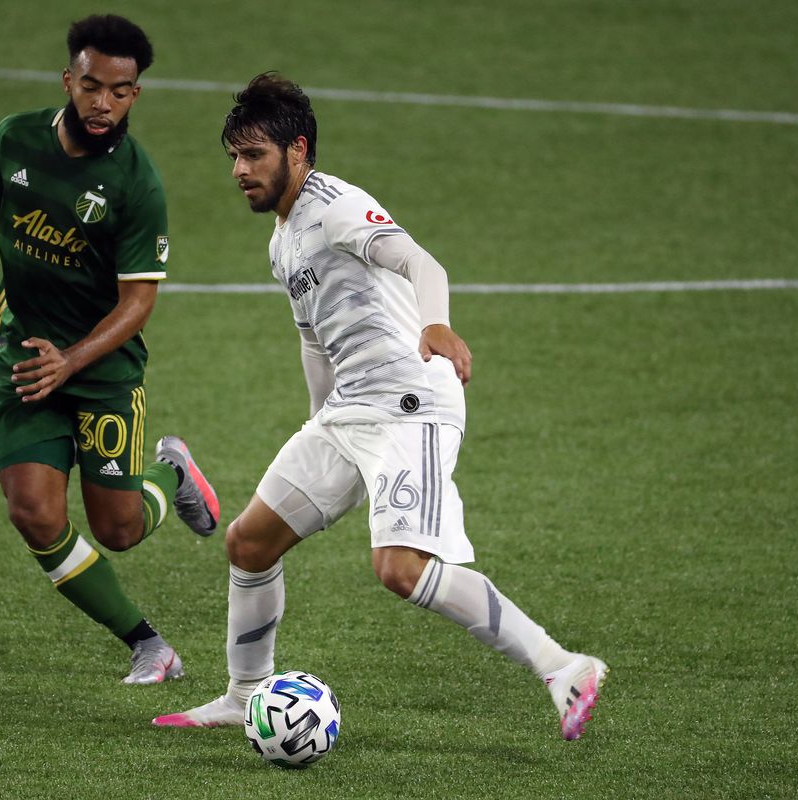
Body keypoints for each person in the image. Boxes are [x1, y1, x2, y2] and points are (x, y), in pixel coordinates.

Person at [153, 73, 607, 738]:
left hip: (410, 403)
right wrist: (317, 418)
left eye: (254, 155)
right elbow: (314, 339)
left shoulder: (337, 208)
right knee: (249, 543)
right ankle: (244, 692)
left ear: (298, 150)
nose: (239, 171)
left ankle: (564, 667)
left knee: (400, 569)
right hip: (348, 412)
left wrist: (437, 325)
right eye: (234, 157)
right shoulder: (282, 241)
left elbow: (423, 265)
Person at [0, 14, 219, 685]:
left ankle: (173, 474)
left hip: (101, 372)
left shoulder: (136, 184)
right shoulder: (17, 138)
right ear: (69, 79)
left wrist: (74, 359)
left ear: (135, 95)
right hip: (23, 359)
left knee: (119, 528)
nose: (103, 103)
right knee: (34, 512)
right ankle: (149, 644)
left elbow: (139, 301)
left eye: (120, 91)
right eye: (91, 86)